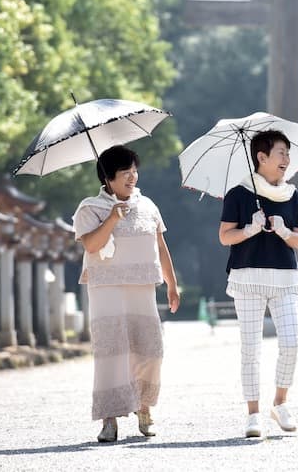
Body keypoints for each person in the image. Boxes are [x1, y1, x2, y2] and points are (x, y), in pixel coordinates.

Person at [72, 145, 180, 443]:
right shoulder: (89, 208)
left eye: (134, 170)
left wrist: (172, 284)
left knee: (151, 351)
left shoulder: (148, 206)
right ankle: (109, 419)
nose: (132, 176)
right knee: (111, 353)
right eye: (125, 172)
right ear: (109, 178)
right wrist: (112, 219)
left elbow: (160, 247)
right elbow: (92, 246)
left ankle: (144, 408)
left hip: (142, 288)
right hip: (107, 291)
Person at [218, 129, 298, 438]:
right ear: (262, 157)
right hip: (247, 278)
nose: (286, 159)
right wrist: (250, 229)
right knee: (251, 348)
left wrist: (283, 232)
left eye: (287, 153)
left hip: (284, 277)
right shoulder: (239, 193)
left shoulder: (292, 195)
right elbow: (224, 236)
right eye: (281, 153)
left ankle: (280, 403)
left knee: (291, 343)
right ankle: (253, 413)